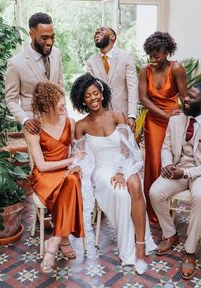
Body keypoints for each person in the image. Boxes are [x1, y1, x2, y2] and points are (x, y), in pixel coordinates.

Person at [70, 73, 156, 275]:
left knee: (135, 186)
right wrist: (76, 164)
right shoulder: (80, 125)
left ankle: (141, 247)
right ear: (82, 99)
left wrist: (120, 171)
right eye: (88, 95)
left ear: (102, 93)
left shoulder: (118, 116)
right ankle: (128, 251)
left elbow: (127, 149)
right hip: (101, 171)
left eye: (96, 93)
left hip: (123, 164)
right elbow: (80, 154)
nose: (93, 98)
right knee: (120, 194)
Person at [149, 83, 201, 280]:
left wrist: (185, 173)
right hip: (178, 167)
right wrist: (167, 165)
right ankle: (171, 234)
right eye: (187, 95)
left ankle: (190, 251)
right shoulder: (176, 120)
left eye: (191, 97)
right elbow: (166, 147)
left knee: (200, 195)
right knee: (154, 191)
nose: (186, 99)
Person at [27, 82, 85, 273]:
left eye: (62, 98)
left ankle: (54, 241)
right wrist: (70, 162)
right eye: (57, 101)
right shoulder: (34, 128)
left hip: (65, 173)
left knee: (72, 180)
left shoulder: (70, 122)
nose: (63, 103)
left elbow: (78, 151)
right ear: (46, 106)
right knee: (70, 182)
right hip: (44, 175)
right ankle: (64, 238)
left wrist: (77, 164)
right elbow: (41, 165)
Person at [139, 31, 187, 224]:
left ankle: (166, 207)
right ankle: (152, 211)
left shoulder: (176, 69)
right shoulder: (145, 70)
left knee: (169, 162)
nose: (153, 57)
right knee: (153, 163)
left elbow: (184, 97)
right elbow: (143, 98)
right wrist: (163, 114)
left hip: (174, 121)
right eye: (150, 53)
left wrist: (190, 119)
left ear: (167, 51)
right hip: (154, 121)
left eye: (157, 52)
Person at [5, 12, 63, 135]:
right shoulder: (15, 63)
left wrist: (64, 115)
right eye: (44, 38)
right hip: (34, 126)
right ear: (31, 34)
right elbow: (11, 99)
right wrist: (25, 120)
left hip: (58, 119)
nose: (50, 42)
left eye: (52, 37)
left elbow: (60, 87)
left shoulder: (57, 53)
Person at [87, 26, 138, 131]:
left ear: (112, 37)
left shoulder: (126, 57)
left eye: (102, 31)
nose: (97, 32)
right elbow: (90, 89)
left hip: (123, 113)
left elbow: (133, 87)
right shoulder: (91, 62)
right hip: (101, 116)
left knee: (124, 146)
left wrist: (131, 115)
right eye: (96, 32)